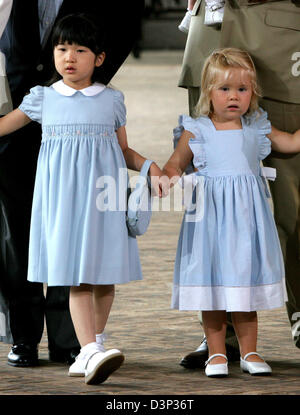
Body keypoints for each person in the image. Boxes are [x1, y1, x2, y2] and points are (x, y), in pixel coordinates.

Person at [0, 12, 162, 385]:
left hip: (103, 202)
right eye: (62, 48)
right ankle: (87, 349)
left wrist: (150, 167)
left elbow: (124, 151)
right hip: (63, 203)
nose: (69, 57)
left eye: (79, 49)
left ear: (99, 58)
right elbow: (6, 125)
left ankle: (94, 345)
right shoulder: (42, 98)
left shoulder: (112, 100)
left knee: (105, 278)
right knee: (77, 277)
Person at [162, 47, 300, 377]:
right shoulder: (196, 130)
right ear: (209, 92)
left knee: (244, 289)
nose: (234, 96)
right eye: (224, 89)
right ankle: (217, 354)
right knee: (211, 290)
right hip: (208, 223)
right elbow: (175, 165)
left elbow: (292, 142)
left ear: (253, 92)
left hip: (246, 225)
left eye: (242, 89)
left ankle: (250, 352)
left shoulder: (257, 127)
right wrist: (162, 179)